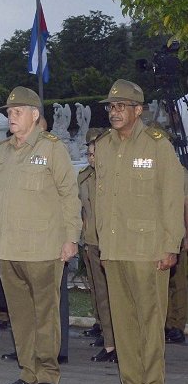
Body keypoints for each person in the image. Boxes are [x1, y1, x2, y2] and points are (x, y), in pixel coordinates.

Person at [94, 80, 183, 384]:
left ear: (138, 110)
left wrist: (170, 245)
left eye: (121, 106)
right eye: (111, 107)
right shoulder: (103, 146)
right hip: (115, 249)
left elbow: (172, 200)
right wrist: (103, 244)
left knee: (150, 320)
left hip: (149, 249)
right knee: (123, 321)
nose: (114, 112)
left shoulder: (158, 146)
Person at [0, 87, 81, 384]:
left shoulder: (52, 149)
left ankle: (47, 374)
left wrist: (71, 238)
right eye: (8, 112)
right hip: (9, 249)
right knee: (20, 316)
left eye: (17, 112)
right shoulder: (2, 152)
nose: (10, 116)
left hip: (44, 248)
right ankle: (28, 372)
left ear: (34, 115)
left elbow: (70, 196)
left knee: (45, 315)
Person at [78, 130, 116, 362]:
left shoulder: (112, 179)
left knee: (116, 297)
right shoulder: (84, 178)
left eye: (96, 153)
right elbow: (82, 211)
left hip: (111, 244)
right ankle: (110, 343)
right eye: (90, 154)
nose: (92, 158)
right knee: (101, 296)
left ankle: (122, 343)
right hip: (91, 243)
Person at [164, 166, 188, 345]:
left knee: (178, 283)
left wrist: (186, 236)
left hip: (178, 234)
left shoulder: (180, 173)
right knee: (164, 284)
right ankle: (168, 323)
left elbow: (185, 205)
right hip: (161, 235)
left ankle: (177, 325)